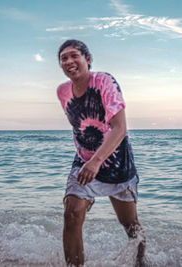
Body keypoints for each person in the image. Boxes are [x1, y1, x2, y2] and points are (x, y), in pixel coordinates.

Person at [57, 39, 146, 267]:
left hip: (116, 162)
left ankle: (141, 262)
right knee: (72, 213)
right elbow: (80, 126)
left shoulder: (104, 81)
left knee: (130, 225)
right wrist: (88, 161)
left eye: (74, 55)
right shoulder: (63, 92)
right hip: (84, 162)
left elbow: (120, 128)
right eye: (63, 58)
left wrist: (97, 161)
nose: (69, 61)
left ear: (88, 59)